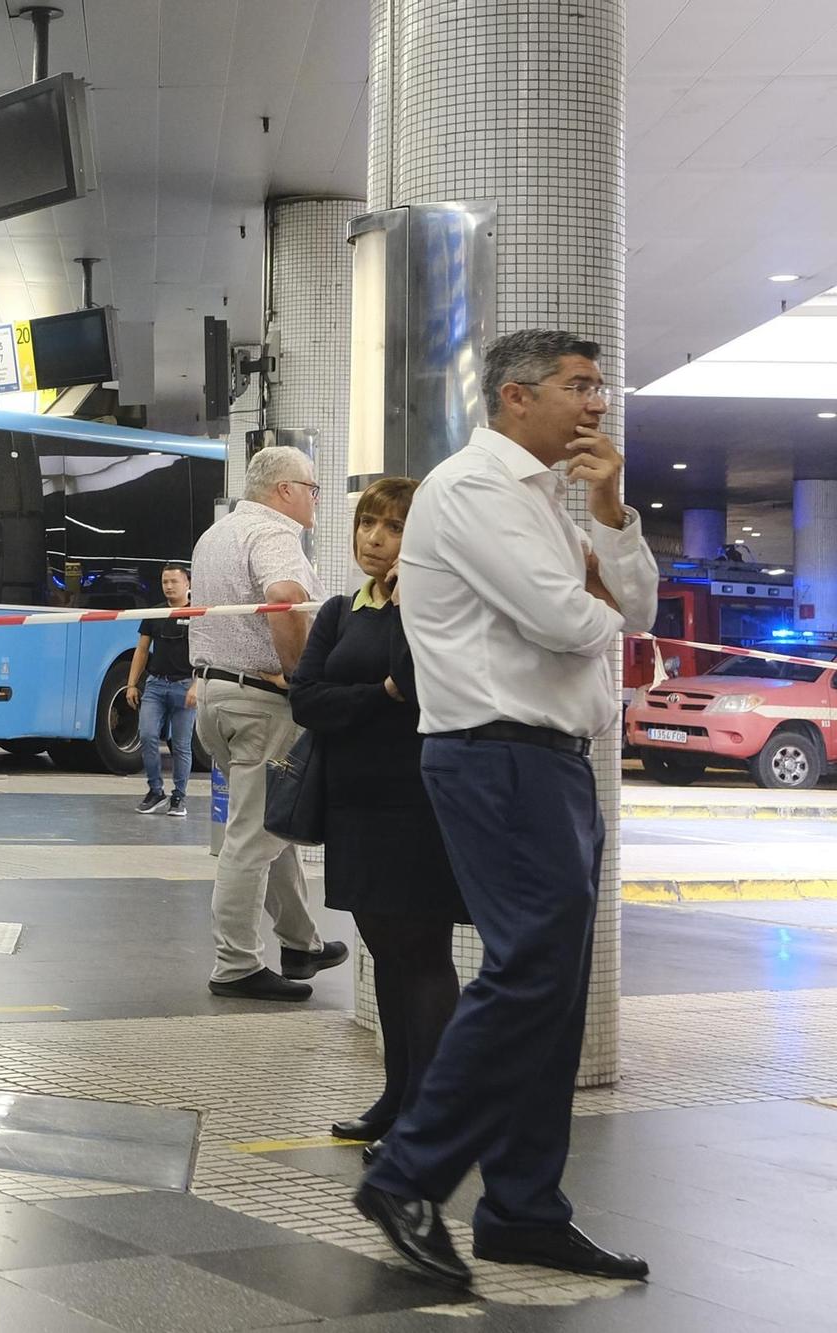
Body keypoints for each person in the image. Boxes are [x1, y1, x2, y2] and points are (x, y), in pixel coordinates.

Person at [354, 331, 657, 1287]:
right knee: (528, 972)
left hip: (555, 762)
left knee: (555, 992)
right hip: (496, 756)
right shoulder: (473, 489)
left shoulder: (544, 502)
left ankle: (523, 1209)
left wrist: (610, 519)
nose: (597, 403)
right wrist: (591, 599)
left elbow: (632, 609)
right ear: (516, 398)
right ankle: (407, 1175)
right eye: (579, 385)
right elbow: (567, 622)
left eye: (600, 386)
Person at [289, 477, 468, 1155]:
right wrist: (378, 695)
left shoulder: (427, 606)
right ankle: (397, 1096)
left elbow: (417, 682)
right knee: (386, 956)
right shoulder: (339, 609)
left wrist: (409, 591)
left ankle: (430, 1116)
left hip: (418, 802)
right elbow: (306, 698)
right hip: (354, 806)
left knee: (423, 956)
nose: (374, 537)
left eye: (393, 527)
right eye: (369, 522)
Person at [189, 445, 346, 1001]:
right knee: (254, 838)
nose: (315, 500)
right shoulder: (276, 533)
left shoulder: (217, 534)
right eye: (312, 488)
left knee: (274, 824)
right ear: (284, 490)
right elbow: (284, 598)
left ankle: (301, 941)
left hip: (216, 698)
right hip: (260, 703)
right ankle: (235, 965)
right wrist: (301, 675)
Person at [123, 564, 196, 816]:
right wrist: (132, 683)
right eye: (165, 581)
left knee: (181, 744)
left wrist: (198, 686)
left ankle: (179, 796)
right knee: (147, 735)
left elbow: (206, 654)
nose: (168, 586)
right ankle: (155, 790)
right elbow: (142, 650)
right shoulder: (154, 613)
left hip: (185, 686)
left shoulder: (199, 614)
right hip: (155, 685)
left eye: (174, 581)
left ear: (188, 583)